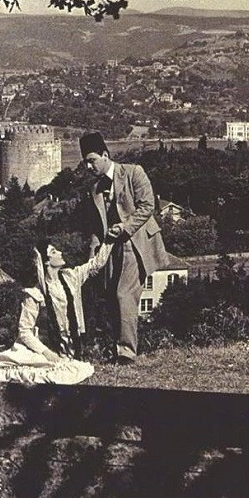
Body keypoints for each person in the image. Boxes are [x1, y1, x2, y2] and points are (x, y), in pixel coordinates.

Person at [0, 236, 115, 385]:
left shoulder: (71, 277)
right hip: (45, 347)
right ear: (46, 261)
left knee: (73, 369)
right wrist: (48, 354)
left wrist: (110, 240)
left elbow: (96, 264)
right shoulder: (36, 293)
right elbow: (24, 331)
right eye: (54, 251)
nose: (60, 252)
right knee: (42, 370)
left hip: (69, 345)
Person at [80, 130, 169, 364]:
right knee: (110, 296)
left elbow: (148, 205)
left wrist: (125, 227)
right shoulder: (94, 189)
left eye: (92, 161)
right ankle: (116, 349)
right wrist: (93, 253)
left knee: (123, 295)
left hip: (137, 243)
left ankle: (127, 354)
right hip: (111, 249)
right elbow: (94, 226)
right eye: (85, 163)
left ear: (105, 155)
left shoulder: (133, 173)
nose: (89, 167)